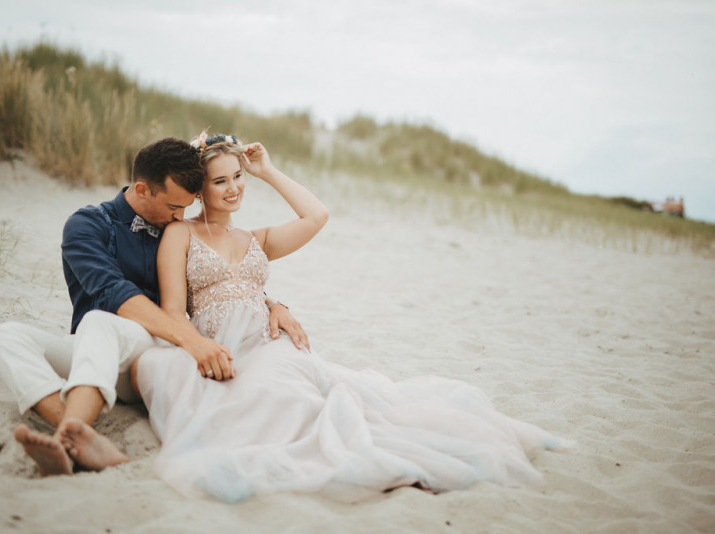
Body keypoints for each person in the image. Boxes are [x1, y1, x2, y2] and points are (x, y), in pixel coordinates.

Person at [116, 133, 572, 502]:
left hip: (270, 343)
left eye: (238, 177)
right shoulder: (181, 233)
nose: (234, 188)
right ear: (200, 188)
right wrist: (202, 348)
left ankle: (371, 464)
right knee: (271, 404)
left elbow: (317, 215)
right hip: (220, 345)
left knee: (301, 394)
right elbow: (173, 310)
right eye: (220, 181)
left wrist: (267, 171)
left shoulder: (256, 239)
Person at [0, 137, 309, 477]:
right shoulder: (87, 225)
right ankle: (76, 431)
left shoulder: (175, 231)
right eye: (173, 207)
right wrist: (194, 341)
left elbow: (220, 281)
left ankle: (68, 437)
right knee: (5, 337)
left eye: (184, 207)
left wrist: (272, 302)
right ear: (142, 190)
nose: (179, 216)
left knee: (98, 321)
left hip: (154, 350)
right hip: (94, 354)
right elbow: (114, 292)